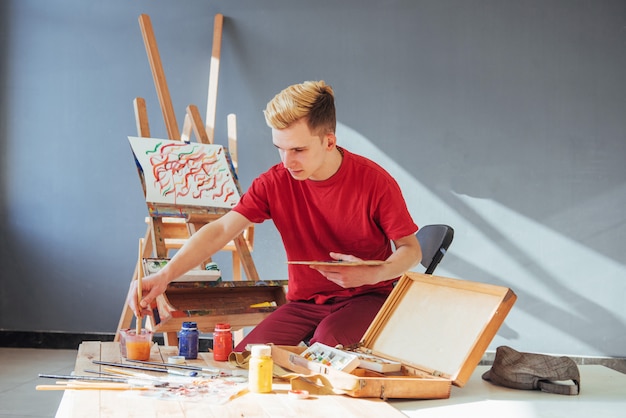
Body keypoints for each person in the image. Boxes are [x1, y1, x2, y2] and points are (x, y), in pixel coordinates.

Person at [127, 80, 422, 352]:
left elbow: (412, 251)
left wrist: (374, 273)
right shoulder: (274, 182)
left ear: (329, 142)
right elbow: (221, 230)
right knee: (246, 359)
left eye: (298, 149)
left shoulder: (375, 182)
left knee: (324, 348)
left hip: (368, 299)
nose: (287, 161)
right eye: (279, 148)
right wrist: (165, 275)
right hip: (305, 304)